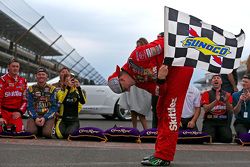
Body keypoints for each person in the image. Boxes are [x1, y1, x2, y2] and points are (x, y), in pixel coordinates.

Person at [108, 35, 193, 166]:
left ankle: (164, 157)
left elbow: (163, 43)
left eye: (124, 89)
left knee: (170, 112)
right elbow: (160, 91)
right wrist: (160, 79)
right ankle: (159, 153)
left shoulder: (137, 56)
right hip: (169, 76)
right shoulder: (139, 82)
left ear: (121, 79)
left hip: (181, 66)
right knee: (160, 109)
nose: (128, 90)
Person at [118, 37, 151, 130]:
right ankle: (134, 130)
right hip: (133, 86)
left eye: (139, 46)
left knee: (140, 112)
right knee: (133, 110)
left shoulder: (149, 57)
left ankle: (146, 132)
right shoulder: (133, 57)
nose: (137, 48)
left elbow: (149, 72)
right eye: (137, 46)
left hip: (143, 87)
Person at [26, 67, 58, 138]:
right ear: (36, 76)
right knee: (30, 133)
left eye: (43, 74)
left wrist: (45, 118)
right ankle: (38, 129)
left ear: (47, 76)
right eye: (39, 74)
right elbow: (29, 106)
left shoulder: (52, 89)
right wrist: (35, 117)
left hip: (48, 116)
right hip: (35, 115)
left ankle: (44, 129)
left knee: (47, 134)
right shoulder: (30, 89)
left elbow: (54, 107)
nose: (41, 76)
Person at [201, 74, 233, 143]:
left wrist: (226, 101)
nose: (216, 79)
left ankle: (218, 134)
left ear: (221, 82)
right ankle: (215, 134)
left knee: (228, 139)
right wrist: (216, 101)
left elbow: (230, 110)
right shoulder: (206, 93)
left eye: (218, 78)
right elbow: (206, 109)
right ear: (211, 82)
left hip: (223, 122)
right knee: (208, 139)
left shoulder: (227, 94)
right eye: (214, 78)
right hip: (209, 121)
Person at [0, 58, 27, 132]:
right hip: (3, 112)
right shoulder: (2, 80)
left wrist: (20, 112)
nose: (15, 68)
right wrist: (0, 116)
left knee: (19, 131)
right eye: (13, 66)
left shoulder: (23, 81)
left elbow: (25, 100)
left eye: (17, 66)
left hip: (15, 113)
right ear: (8, 67)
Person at [55, 74, 86, 138]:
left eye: (71, 81)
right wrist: (68, 88)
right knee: (60, 135)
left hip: (73, 120)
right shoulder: (60, 92)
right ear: (64, 82)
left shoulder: (77, 92)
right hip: (62, 119)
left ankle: (75, 127)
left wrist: (78, 88)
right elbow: (62, 101)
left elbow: (83, 102)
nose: (69, 82)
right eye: (67, 81)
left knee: (68, 135)